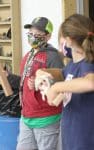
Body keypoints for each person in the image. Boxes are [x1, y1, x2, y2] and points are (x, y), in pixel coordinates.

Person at [37, 14, 94, 150]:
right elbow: (61, 73)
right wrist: (43, 72)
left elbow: (90, 83)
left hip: (84, 140)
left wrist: (56, 87)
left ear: (68, 41)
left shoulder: (88, 63)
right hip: (71, 137)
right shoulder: (72, 65)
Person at [16, 17, 64, 150]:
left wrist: (41, 83)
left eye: (37, 34)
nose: (32, 37)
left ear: (47, 36)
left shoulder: (53, 56)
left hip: (46, 118)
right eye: (30, 33)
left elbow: (61, 82)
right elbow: (24, 81)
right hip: (26, 116)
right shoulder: (28, 55)